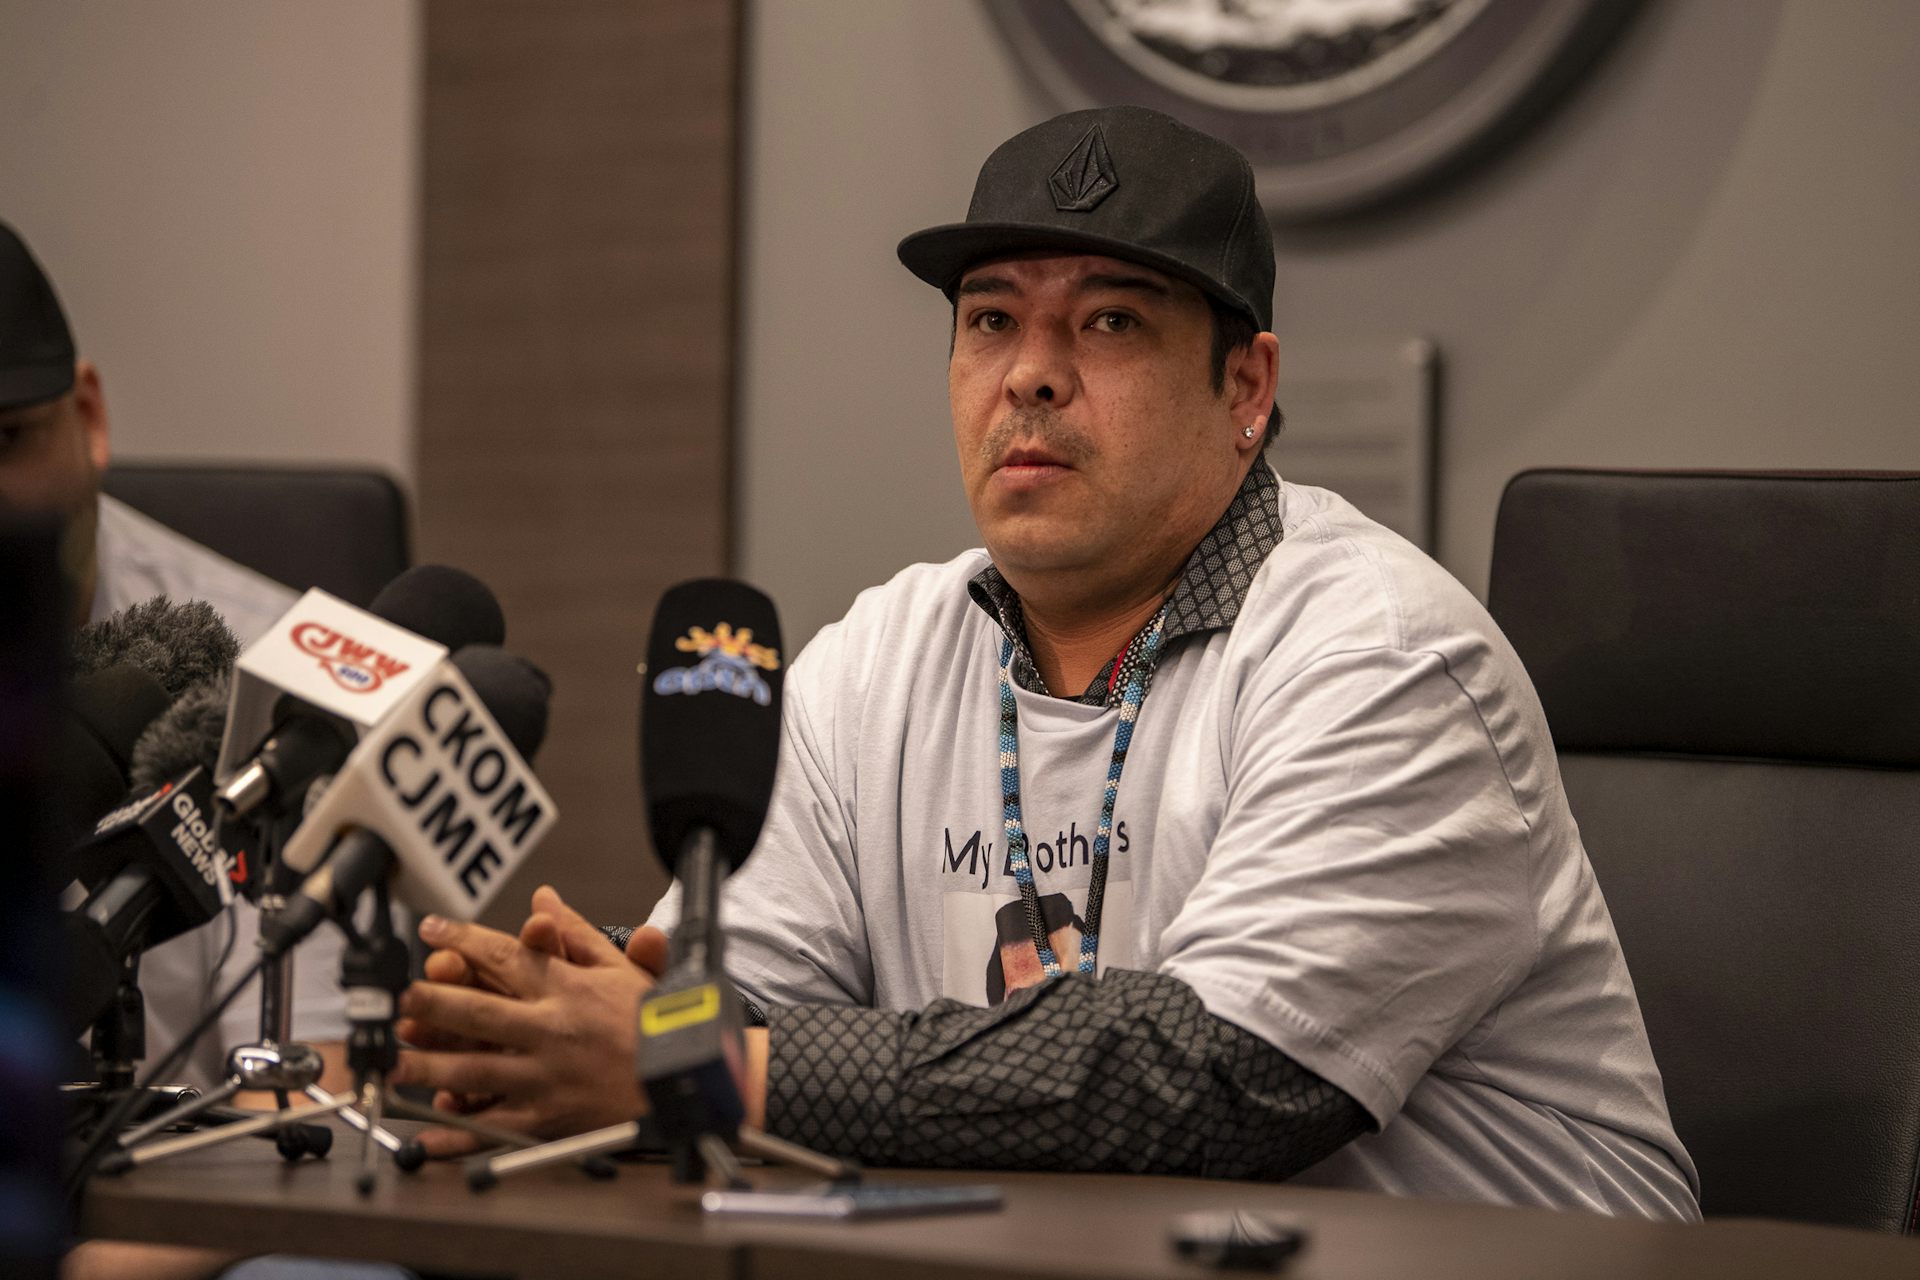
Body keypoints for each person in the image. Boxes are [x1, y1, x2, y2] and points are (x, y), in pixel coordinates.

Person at [394, 106, 1701, 1219]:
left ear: (1246, 387)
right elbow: (710, 1008)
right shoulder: (875, 663)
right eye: (989, 319)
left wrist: (689, 1065)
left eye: (1113, 324)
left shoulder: (1382, 657)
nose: (1030, 377)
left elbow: (1208, 1080)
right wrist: (537, 1040)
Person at [1, 218, 352, 1091]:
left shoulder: (274, 678)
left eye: (6, 440)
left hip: (178, 1204)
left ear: (87, 418)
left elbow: (311, 1096)